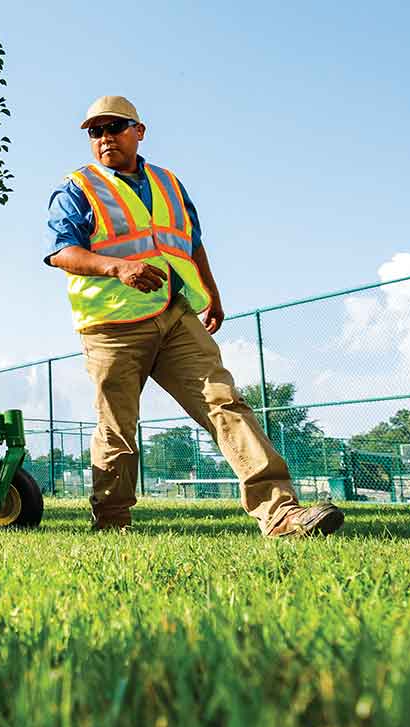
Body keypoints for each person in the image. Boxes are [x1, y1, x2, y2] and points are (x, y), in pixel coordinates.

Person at [44, 95, 343, 537]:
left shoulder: (168, 183)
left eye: (115, 127)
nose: (105, 137)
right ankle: (111, 520)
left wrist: (211, 294)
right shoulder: (78, 188)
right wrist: (118, 267)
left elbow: (191, 242)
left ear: (139, 131)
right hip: (111, 327)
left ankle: (281, 514)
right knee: (118, 428)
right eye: (95, 131)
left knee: (224, 401)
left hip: (174, 315)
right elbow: (61, 251)